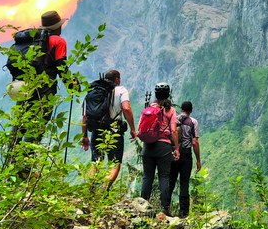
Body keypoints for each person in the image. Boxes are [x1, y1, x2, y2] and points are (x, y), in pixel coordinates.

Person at [18, 10, 70, 143]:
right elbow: (61, 66)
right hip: (44, 89)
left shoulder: (33, 40)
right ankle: (26, 159)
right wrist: (71, 85)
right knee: (37, 125)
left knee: (19, 125)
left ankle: (12, 158)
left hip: (24, 87)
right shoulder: (58, 41)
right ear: (56, 27)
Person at [81, 69, 137, 189]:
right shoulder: (121, 90)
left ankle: (90, 187)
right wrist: (132, 128)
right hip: (114, 130)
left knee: (96, 160)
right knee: (114, 162)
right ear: (117, 79)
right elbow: (126, 108)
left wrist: (84, 136)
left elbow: (85, 116)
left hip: (97, 129)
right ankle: (104, 188)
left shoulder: (94, 91)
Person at [140, 82, 179, 216]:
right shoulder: (171, 110)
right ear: (168, 94)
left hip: (148, 146)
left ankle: (142, 204)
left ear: (156, 94)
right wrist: (177, 148)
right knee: (164, 177)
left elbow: (142, 126)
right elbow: (174, 130)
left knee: (147, 177)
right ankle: (165, 208)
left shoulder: (149, 108)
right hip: (163, 146)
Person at [169, 101, 201, 217]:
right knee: (184, 183)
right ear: (190, 110)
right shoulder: (193, 122)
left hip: (173, 154)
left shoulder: (173, 120)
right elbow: (195, 142)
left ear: (181, 109)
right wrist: (198, 160)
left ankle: (165, 207)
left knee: (170, 181)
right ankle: (183, 213)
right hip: (186, 155)